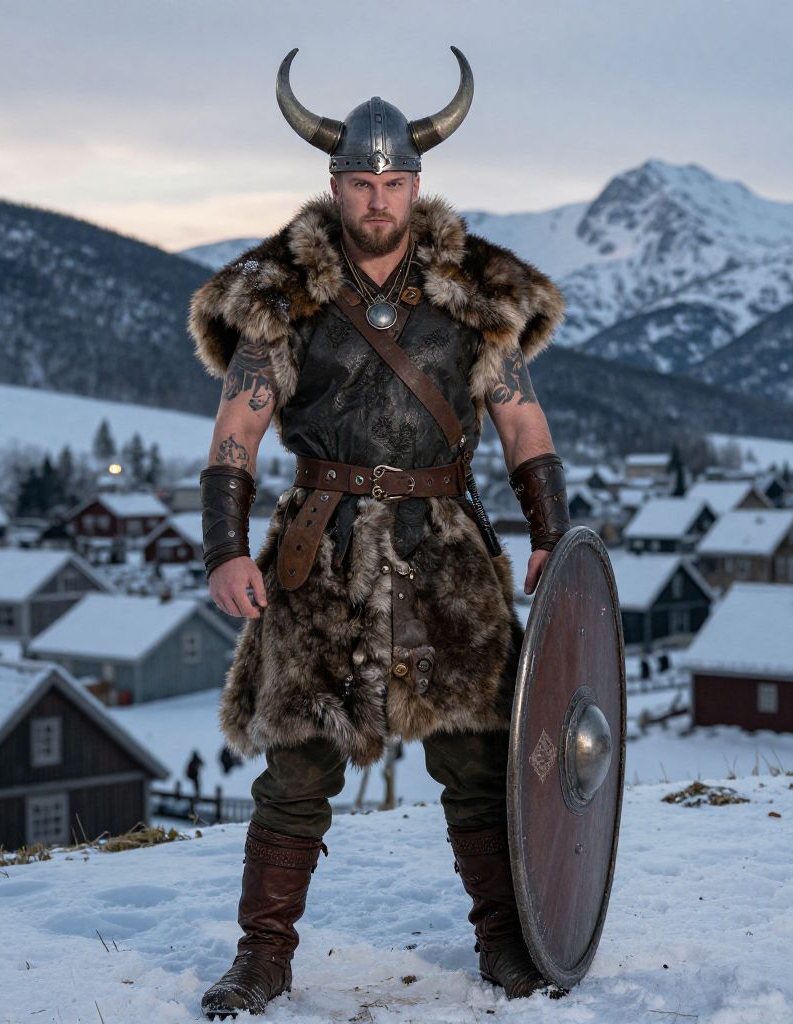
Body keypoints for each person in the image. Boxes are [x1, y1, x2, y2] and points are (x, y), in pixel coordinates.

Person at [189, 48, 571, 1018]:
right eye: (361, 182)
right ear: (334, 184)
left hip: (446, 548)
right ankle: (262, 957)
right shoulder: (281, 292)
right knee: (296, 765)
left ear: (416, 183)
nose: (377, 199)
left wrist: (551, 534)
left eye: (393, 182)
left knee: (478, 759)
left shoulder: (476, 290)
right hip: (318, 547)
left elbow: (522, 424)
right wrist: (225, 547)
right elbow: (237, 429)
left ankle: (506, 940)